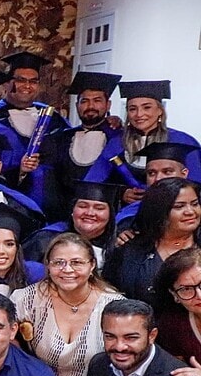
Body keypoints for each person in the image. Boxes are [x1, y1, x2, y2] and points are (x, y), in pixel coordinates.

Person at [12, 233, 124, 376]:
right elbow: (5, 335)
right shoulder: (28, 299)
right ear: (48, 265)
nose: (67, 269)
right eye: (59, 262)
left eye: (76, 262)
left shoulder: (113, 306)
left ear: (92, 265)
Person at [85, 80, 201, 199]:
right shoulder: (117, 143)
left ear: (160, 110)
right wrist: (120, 194)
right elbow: (92, 182)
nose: (139, 114)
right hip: (128, 208)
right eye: (132, 109)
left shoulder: (182, 141)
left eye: (147, 107)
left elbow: (196, 185)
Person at [38, 71, 123, 221]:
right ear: (77, 105)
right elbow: (50, 185)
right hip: (64, 218)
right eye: (84, 101)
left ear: (108, 104)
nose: (90, 106)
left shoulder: (120, 139)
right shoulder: (58, 139)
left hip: (108, 218)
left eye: (97, 100)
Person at [104, 178, 201, 305]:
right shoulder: (129, 250)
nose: (190, 211)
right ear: (158, 210)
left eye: (195, 204)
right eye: (179, 206)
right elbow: (111, 295)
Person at [23, 180, 121, 266]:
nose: (90, 213)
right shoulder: (45, 239)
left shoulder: (119, 244)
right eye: (82, 206)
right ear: (72, 210)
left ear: (110, 215)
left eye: (99, 208)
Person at [151, 247, 201, 366]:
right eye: (186, 289)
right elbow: (179, 372)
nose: (199, 295)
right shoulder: (172, 326)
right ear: (174, 295)